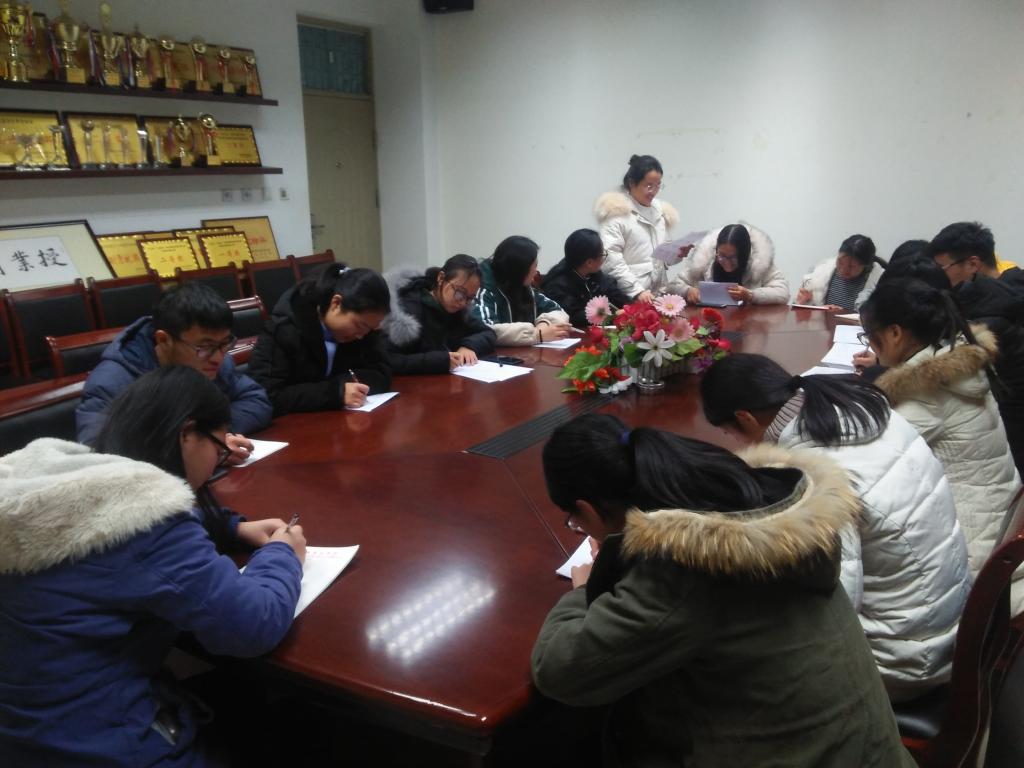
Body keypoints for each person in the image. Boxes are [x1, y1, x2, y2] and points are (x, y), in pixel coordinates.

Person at [531, 413, 913, 767]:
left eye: (574, 522)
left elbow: (558, 670)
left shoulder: (683, 571)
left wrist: (583, 590)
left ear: (588, 510)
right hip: (872, 752)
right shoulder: (760, 504)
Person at [0, 366, 305, 767]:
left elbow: (110, 535)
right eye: (218, 448)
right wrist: (283, 554)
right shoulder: (149, 525)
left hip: (23, 733)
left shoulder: (62, 482)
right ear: (186, 434)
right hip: (98, 744)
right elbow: (251, 626)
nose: (218, 460)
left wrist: (231, 527)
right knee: (290, 728)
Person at [700, 354, 971, 700]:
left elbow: (835, 604)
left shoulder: (816, 472)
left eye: (729, 433)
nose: (738, 444)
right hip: (946, 624)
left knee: (721, 660)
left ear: (745, 417)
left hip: (903, 660)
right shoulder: (860, 411)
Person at [859, 278, 1022, 610]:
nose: (873, 349)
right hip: (1003, 528)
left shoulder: (924, 395)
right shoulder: (959, 364)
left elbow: (868, 466)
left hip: (974, 562)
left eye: (871, 339)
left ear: (895, 333)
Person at [76, 282, 271, 460]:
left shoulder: (213, 359)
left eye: (224, 343)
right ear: (163, 340)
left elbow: (256, 399)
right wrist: (200, 446)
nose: (218, 357)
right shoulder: (112, 380)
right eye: (205, 346)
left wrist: (213, 435)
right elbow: (100, 450)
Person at [928, 223, 1024, 474]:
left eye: (942, 268)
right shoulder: (1005, 291)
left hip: (1010, 437)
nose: (939, 278)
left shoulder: (992, 314)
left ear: (972, 264)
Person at [248, 262, 392, 414]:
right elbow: (267, 394)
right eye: (359, 326)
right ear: (336, 303)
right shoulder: (285, 327)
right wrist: (335, 392)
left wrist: (345, 384)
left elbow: (382, 374)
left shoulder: (362, 328)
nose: (361, 335)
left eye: (369, 329)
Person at [381, 254, 496, 374]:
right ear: (441, 278)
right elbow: (387, 359)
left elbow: (488, 333)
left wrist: (468, 346)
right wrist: (440, 360)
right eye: (460, 293)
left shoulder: (458, 311)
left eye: (470, 298)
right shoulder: (410, 308)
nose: (463, 303)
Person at [594, 154, 685, 303]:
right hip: (628, 297)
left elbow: (661, 255)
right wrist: (636, 291)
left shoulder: (659, 212)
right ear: (632, 183)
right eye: (649, 186)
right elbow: (611, 260)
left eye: (658, 185)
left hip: (656, 295)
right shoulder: (616, 214)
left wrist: (677, 253)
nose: (654, 191)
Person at [472, 235, 571, 345]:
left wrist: (544, 324)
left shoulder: (524, 288)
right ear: (519, 269)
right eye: (534, 266)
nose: (536, 271)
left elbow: (558, 311)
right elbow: (487, 329)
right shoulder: (483, 291)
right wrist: (536, 335)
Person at [668, 222, 790, 305]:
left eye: (733, 258)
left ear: (745, 255)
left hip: (748, 325)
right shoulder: (704, 261)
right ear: (716, 251)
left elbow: (783, 292)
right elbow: (672, 286)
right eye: (721, 256)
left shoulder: (759, 263)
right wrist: (687, 291)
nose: (726, 263)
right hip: (709, 323)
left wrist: (751, 295)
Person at [540, 228, 632, 328]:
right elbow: (575, 317)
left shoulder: (596, 275)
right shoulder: (557, 285)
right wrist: (613, 316)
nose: (603, 257)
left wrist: (631, 306)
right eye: (602, 254)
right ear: (589, 263)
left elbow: (617, 296)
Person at [795, 234, 887, 311]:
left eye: (851, 266)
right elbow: (802, 312)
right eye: (840, 262)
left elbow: (879, 318)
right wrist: (804, 302)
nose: (843, 270)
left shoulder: (880, 282)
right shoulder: (821, 272)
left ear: (866, 265)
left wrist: (843, 314)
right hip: (823, 327)